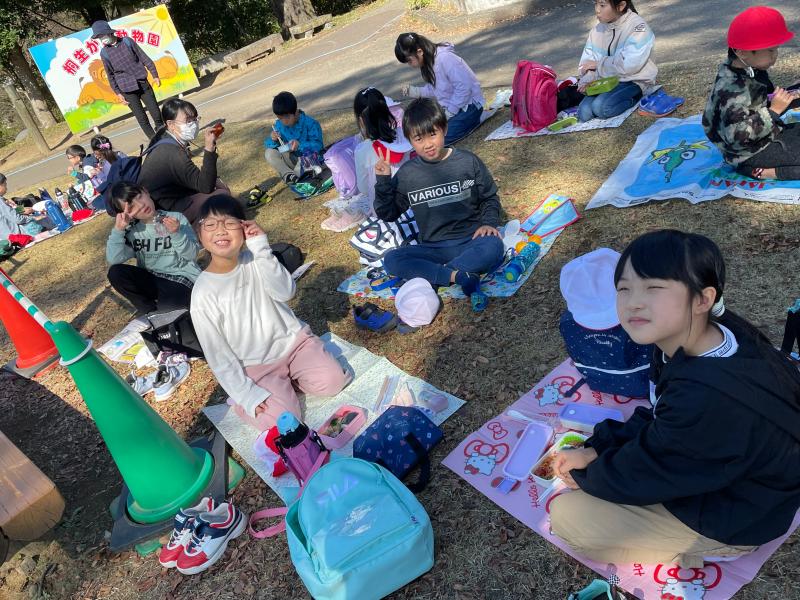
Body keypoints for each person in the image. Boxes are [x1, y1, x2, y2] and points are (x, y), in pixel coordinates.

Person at [549, 230, 800, 569]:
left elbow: (651, 470)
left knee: (567, 517)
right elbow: (660, 420)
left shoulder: (704, 397)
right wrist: (596, 448)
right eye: (624, 288)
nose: (633, 301)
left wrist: (587, 476)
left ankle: (721, 549)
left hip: (744, 512)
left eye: (654, 288)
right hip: (741, 477)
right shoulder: (711, 334)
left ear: (702, 299)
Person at [190, 195, 349, 431]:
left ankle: (290, 380)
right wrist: (246, 395)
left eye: (230, 223)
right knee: (284, 421)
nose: (221, 231)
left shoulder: (257, 259)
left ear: (244, 228)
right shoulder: (203, 294)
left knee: (334, 382)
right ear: (200, 235)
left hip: (293, 345)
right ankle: (261, 394)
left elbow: (286, 291)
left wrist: (262, 249)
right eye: (211, 224)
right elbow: (218, 355)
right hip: (256, 366)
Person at [374, 98, 504, 312]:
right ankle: (456, 275)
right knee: (392, 259)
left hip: (471, 240)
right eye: (418, 138)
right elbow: (388, 213)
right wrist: (383, 181)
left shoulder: (467, 162)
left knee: (494, 246)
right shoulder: (408, 174)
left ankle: (435, 275)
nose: (427, 144)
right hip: (433, 247)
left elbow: (489, 197)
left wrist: (489, 222)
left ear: (443, 129)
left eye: (432, 134)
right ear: (410, 140)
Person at [702, 6, 799, 181]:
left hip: (768, 134)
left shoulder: (751, 70)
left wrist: (790, 98)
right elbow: (736, 137)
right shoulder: (731, 90)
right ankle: (759, 171)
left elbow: (767, 99)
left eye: (776, 49)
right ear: (742, 52)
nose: (775, 56)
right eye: (770, 50)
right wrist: (773, 112)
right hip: (748, 153)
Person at [106, 182, 201, 318]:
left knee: (172, 311)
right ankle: (150, 312)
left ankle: (164, 312)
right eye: (131, 206)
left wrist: (176, 234)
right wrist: (118, 230)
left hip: (180, 278)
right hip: (153, 280)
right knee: (116, 273)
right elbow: (113, 259)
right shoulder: (132, 232)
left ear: (146, 191)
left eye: (139, 197)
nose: (141, 205)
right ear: (126, 214)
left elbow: (192, 255)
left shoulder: (176, 218)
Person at [138, 98, 230, 224]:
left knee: (218, 183)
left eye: (195, 119)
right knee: (222, 195)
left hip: (170, 200)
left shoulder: (166, 140)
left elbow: (196, 179)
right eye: (188, 120)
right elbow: (205, 186)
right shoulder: (171, 152)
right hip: (164, 213)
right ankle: (195, 231)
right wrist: (209, 148)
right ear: (170, 124)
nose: (194, 123)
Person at [395, 33, 484, 145]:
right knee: (427, 131)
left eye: (409, 60)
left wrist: (451, 112)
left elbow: (464, 88)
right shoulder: (430, 62)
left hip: (470, 107)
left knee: (440, 140)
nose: (410, 64)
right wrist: (414, 91)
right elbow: (436, 89)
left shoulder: (445, 58)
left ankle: (474, 121)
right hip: (452, 108)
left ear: (419, 51)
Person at [576, 0, 657, 122]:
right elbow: (587, 62)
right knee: (584, 113)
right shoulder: (596, 30)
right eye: (595, 4)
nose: (597, 10)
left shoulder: (638, 27)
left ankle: (636, 98)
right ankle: (612, 98)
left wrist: (599, 65)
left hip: (633, 79)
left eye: (602, 5)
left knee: (601, 108)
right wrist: (588, 78)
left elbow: (629, 66)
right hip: (606, 82)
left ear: (621, 6)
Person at [92, 20, 164, 140]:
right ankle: (154, 141)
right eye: (99, 37)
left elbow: (144, 57)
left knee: (156, 112)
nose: (101, 39)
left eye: (102, 35)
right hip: (126, 89)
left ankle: (163, 134)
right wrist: (118, 93)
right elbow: (110, 75)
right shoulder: (104, 53)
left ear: (110, 33)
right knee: (142, 118)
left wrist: (154, 75)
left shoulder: (127, 41)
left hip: (142, 83)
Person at [353, 87, 412, 211]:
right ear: (387, 109)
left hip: (384, 210)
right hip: (413, 201)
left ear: (361, 121)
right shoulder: (405, 135)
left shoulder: (362, 151)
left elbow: (363, 188)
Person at [263, 91, 324, 185]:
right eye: (280, 118)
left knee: (304, 163)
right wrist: (273, 139)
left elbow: (318, 146)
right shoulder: (279, 125)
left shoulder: (311, 123)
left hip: (309, 160)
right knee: (269, 152)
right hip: (291, 160)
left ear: (295, 112)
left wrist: (300, 145)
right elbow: (273, 147)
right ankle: (289, 175)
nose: (284, 121)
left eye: (286, 117)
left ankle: (299, 176)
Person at [0, 174, 50, 240]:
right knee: (44, 220)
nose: (6, 187)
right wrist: (33, 218)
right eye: (5, 184)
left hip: (5, 235)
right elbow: (17, 219)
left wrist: (22, 209)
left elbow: (8, 212)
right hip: (14, 234)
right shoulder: (1, 201)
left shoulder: (2, 199)